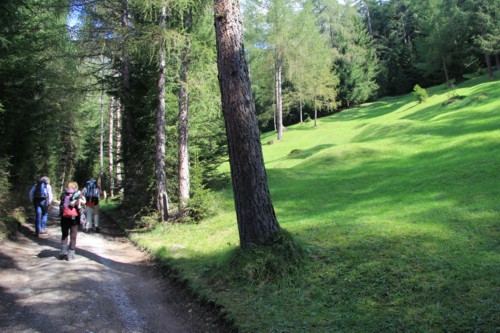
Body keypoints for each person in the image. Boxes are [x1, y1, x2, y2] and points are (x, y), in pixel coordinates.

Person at [59, 181, 86, 261]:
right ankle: (70, 255)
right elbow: (82, 206)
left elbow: (61, 207)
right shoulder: (79, 195)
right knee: (73, 237)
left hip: (64, 217)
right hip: (75, 218)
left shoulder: (64, 195)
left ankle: (63, 252)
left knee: (64, 234)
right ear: (76, 187)